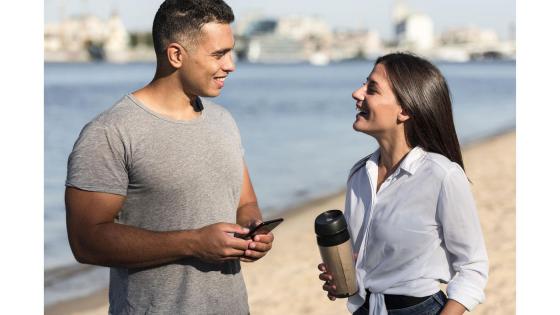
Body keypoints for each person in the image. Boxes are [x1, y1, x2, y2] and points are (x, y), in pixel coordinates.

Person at [65, 1, 273, 314]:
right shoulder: (110, 132)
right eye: (218, 54)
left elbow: (245, 203)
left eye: (230, 51)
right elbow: (86, 241)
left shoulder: (223, 121)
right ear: (176, 55)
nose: (231, 65)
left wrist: (251, 232)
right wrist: (194, 243)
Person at [318, 53, 489, 315]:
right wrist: (343, 278)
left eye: (371, 89)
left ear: (405, 110)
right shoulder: (359, 174)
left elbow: (472, 268)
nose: (356, 93)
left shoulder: (443, 176)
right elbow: (361, 259)